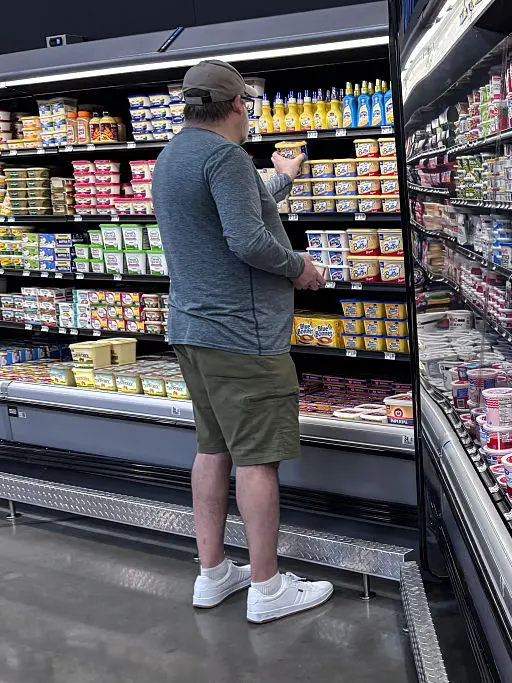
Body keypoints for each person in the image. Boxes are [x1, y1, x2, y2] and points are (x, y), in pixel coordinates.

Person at [152, 60, 332, 623]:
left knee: (213, 449)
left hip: (193, 329)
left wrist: (282, 179)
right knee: (258, 460)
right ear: (237, 105)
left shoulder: (173, 154)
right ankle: (269, 587)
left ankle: (213, 575)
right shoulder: (225, 156)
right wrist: (299, 267)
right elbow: (247, 239)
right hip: (243, 336)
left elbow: (227, 211)